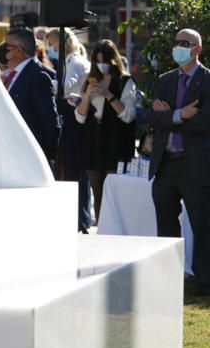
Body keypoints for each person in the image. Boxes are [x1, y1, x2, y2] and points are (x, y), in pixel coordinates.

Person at [149, 28, 210, 294]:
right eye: (176, 42)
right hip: (166, 164)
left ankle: (204, 281)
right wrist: (180, 114)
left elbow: (204, 122)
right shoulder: (165, 80)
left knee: (203, 225)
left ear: (198, 49)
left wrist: (171, 117)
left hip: (196, 165)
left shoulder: (208, 81)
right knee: (166, 224)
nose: (178, 47)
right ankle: (168, 278)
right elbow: (153, 118)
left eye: (185, 43)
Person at [76, 39, 137, 224]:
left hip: (115, 141)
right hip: (93, 139)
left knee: (113, 188)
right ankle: (101, 225)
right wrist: (86, 95)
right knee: (96, 187)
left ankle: (114, 227)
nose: (101, 65)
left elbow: (128, 115)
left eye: (105, 60)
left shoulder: (125, 81)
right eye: (97, 60)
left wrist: (108, 94)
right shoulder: (90, 80)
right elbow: (80, 117)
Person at [45, 28, 92, 233]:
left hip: (74, 121)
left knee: (72, 170)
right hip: (75, 119)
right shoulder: (72, 61)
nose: (51, 50)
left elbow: (65, 86)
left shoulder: (74, 63)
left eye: (53, 45)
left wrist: (45, 81)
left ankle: (78, 219)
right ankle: (80, 218)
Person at [2, 27, 60, 164]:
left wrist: (49, 156)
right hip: (11, 152)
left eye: (7, 47)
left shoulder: (37, 76)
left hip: (29, 156)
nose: (4, 52)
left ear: (19, 50)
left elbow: (49, 120)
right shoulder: (14, 74)